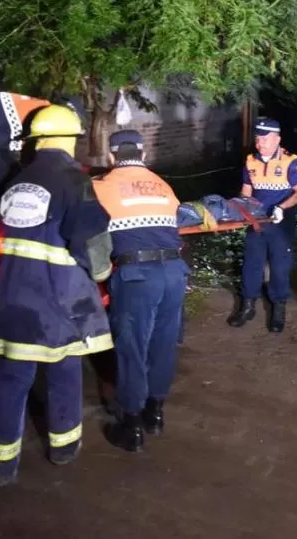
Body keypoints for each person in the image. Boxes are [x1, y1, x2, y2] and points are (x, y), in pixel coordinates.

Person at [0, 105, 115, 489]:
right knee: (64, 372)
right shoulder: (74, 182)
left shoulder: (13, 184)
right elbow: (91, 244)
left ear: (36, 142)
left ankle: (1, 467)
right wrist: (103, 275)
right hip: (57, 304)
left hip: (12, 303)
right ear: (69, 141)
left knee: (10, 383)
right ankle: (63, 447)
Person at [92, 130, 189, 452]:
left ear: (111, 157)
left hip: (137, 275)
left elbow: (91, 234)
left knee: (132, 346)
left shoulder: (101, 186)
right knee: (163, 343)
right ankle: (155, 413)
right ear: (144, 155)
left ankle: (131, 424)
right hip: (174, 272)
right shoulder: (163, 184)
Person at [226, 118, 297, 333]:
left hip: (281, 223)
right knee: (252, 264)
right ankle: (248, 305)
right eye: (257, 138)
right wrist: (242, 210)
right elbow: (246, 191)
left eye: (264, 138)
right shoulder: (250, 161)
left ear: (277, 139)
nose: (259, 142)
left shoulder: (292, 161)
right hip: (256, 222)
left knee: (280, 267)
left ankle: (278, 308)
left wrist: (282, 207)